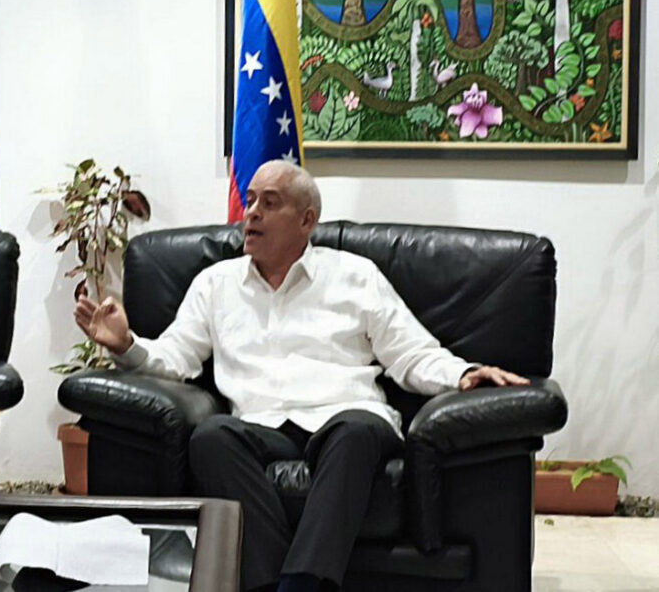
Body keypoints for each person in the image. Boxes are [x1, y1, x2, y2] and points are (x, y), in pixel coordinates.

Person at [73, 160, 528, 592]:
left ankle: (299, 585)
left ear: (307, 220)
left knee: (355, 431)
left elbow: (410, 352)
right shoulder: (216, 283)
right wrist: (125, 344)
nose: (251, 213)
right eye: (250, 200)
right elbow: (177, 357)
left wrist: (464, 373)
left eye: (270, 203)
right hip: (259, 426)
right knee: (211, 438)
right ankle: (280, 583)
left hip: (346, 419)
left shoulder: (354, 276)